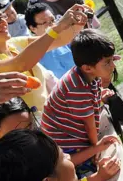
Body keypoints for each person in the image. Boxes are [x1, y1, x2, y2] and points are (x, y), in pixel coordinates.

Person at [0, 0, 88, 113]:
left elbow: (59, 39)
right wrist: (57, 27)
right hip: (31, 129)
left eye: (2, 16)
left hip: (57, 116)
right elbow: (20, 64)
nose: (3, 22)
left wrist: (79, 18)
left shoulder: (15, 43)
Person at [41, 29, 117, 167]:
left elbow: (90, 100)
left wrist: (98, 96)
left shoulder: (86, 74)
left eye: (112, 59)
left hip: (67, 127)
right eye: (107, 62)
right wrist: (95, 148)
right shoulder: (76, 89)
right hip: (64, 139)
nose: (113, 65)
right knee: (90, 164)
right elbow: (89, 125)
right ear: (88, 68)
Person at [25, 2, 75, 79]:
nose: (52, 25)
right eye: (45, 22)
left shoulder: (64, 38)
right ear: (32, 28)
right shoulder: (31, 53)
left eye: (52, 20)